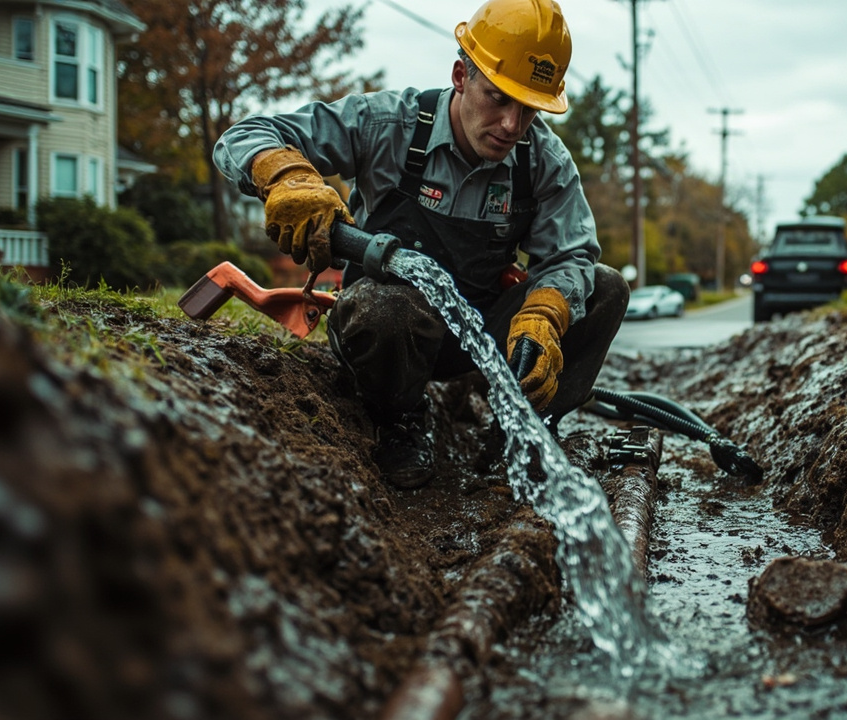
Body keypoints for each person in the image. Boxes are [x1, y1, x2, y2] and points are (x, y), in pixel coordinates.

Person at [213, 0, 629, 488]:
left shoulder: (542, 160)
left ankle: (527, 429)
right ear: (460, 75)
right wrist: (286, 177)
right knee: (385, 309)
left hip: (479, 334)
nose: (513, 125)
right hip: (384, 327)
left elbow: (571, 255)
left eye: (530, 109)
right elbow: (245, 135)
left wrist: (543, 314)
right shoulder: (387, 124)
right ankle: (400, 420)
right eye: (498, 98)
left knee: (604, 289)